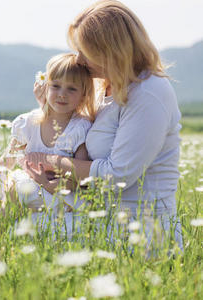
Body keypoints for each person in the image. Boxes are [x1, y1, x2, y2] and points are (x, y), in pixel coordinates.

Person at [26, 0, 183, 251]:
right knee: (17, 213)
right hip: (99, 219)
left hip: (140, 231)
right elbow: (74, 134)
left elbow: (117, 175)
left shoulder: (149, 92)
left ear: (110, 51)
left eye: (85, 51)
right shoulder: (105, 87)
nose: (78, 59)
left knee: (28, 232)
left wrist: (48, 160)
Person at [0, 53, 95, 237]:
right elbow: (7, 160)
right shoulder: (27, 123)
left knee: (15, 189)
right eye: (56, 86)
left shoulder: (79, 128)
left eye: (71, 89)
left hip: (57, 192)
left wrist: (45, 182)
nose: (62, 94)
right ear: (45, 87)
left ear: (84, 95)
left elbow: (78, 181)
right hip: (28, 185)